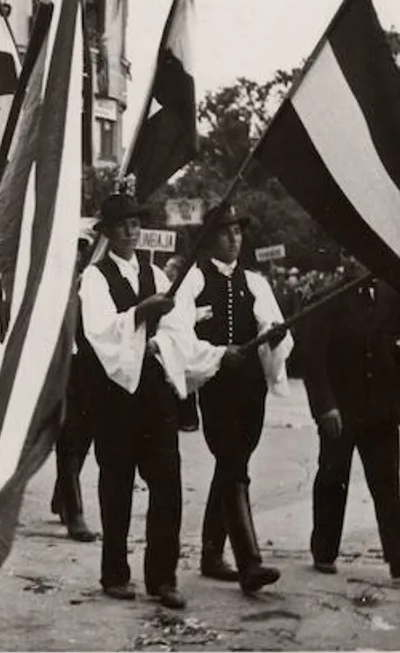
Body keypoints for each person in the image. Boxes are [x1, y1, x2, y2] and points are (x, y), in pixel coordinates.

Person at [173, 204, 292, 595]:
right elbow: (180, 337)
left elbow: (273, 327)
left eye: (237, 232)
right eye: (224, 232)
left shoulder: (256, 283)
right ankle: (250, 563)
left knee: (232, 464)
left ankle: (211, 554)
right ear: (208, 238)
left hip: (251, 389)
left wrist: (274, 338)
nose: (233, 238)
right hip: (216, 386)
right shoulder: (191, 282)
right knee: (232, 464)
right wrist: (219, 354)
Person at [78, 191, 187, 609]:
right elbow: (101, 332)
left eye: (136, 222)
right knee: (117, 485)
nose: (131, 229)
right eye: (122, 224)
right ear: (106, 231)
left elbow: (177, 326)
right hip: (115, 395)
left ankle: (163, 577)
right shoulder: (95, 277)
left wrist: (160, 341)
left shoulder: (156, 273)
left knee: (167, 485)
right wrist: (141, 313)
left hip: (154, 391)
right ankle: (115, 573)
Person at [304, 251, 400, 584]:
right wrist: (325, 407)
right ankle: (324, 551)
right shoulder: (328, 298)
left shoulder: (392, 294)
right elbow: (313, 359)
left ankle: (398, 559)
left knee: (388, 484)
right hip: (340, 412)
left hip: (381, 411)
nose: (357, 260)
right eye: (350, 254)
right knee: (333, 478)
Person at [50, 233, 98, 543]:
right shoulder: (50, 288)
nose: (76, 256)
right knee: (68, 438)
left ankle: (62, 494)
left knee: (85, 437)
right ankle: (75, 513)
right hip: (60, 369)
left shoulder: (92, 284)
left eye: (81, 251)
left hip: (90, 370)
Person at [162, 255, 200, 432]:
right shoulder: (166, 288)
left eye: (169, 267)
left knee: (184, 378)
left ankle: (189, 419)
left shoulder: (184, 291)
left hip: (183, 338)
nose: (165, 269)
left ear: (177, 271)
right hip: (173, 339)